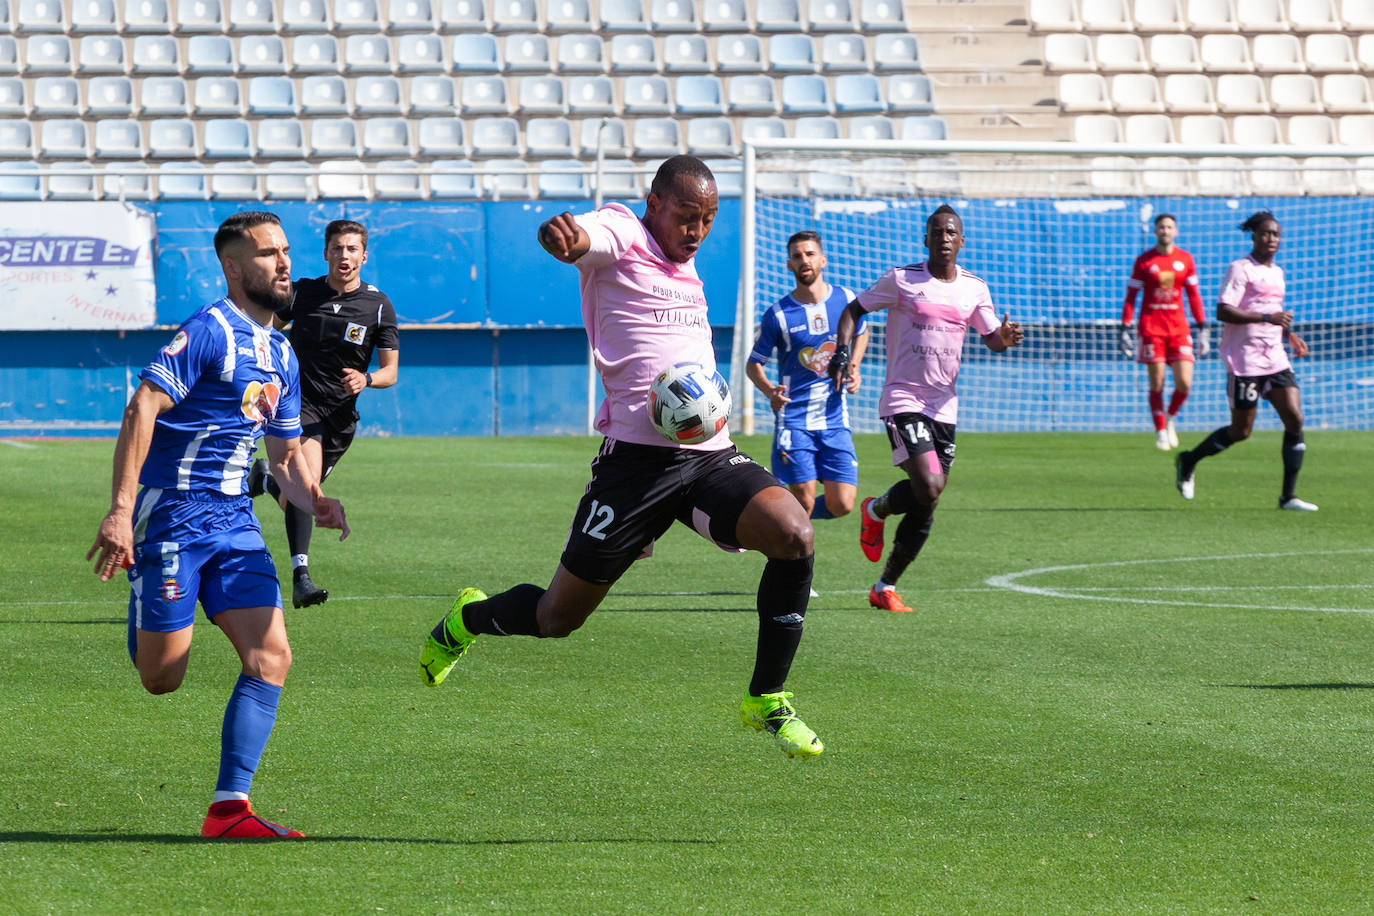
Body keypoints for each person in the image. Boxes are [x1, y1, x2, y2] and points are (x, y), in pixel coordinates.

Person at [419, 156, 824, 759]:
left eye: (708, 220)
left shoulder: (689, 269)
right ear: (654, 202)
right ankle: (467, 621)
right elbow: (586, 235)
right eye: (687, 216)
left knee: (794, 532)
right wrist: (566, 236)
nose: (697, 231)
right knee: (559, 618)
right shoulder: (624, 233)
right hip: (635, 467)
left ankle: (766, 696)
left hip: (709, 457)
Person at [87, 211, 349, 839]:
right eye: (267, 254)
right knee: (162, 678)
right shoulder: (208, 330)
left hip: (234, 519)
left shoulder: (281, 352)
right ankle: (142, 581)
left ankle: (229, 809)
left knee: (272, 657)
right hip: (173, 514)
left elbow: (284, 457)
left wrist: (312, 497)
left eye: (285, 251)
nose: (284, 264)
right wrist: (122, 511)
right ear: (234, 268)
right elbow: (143, 404)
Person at [829, 204, 1024, 614]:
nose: (944, 238)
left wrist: (1004, 338)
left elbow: (991, 338)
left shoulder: (974, 288)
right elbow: (853, 310)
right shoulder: (902, 280)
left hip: (944, 406)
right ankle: (876, 510)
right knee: (930, 485)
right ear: (926, 239)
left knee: (927, 499)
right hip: (904, 398)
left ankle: (884, 583)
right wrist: (843, 352)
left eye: (951, 232)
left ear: (962, 240)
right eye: (937, 232)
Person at [253, 219, 398, 608]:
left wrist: (367, 380)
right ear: (326, 253)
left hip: (340, 417)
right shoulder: (303, 293)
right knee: (306, 486)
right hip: (297, 405)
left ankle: (265, 482)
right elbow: (266, 330)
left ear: (364, 256)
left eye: (352, 249)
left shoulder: (378, 306)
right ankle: (301, 576)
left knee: (297, 493)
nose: (344, 255)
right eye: (337, 248)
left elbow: (390, 372)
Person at [1174, 211, 1316, 511]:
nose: (1271, 239)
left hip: (1274, 356)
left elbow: (1272, 309)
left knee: (1295, 417)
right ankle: (1189, 460)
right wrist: (1267, 318)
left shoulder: (1277, 272)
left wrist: (1287, 333)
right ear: (1253, 235)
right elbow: (1223, 310)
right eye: (1265, 233)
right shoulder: (1240, 269)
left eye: (1276, 234)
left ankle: (1288, 496)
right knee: (1241, 431)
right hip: (1245, 359)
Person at [745, 230, 871, 522]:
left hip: (834, 419)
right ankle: (786, 528)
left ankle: (784, 517)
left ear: (822, 260)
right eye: (797, 256)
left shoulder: (846, 300)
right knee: (803, 497)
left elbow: (861, 333)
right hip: (794, 420)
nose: (804, 260)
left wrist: (855, 365)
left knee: (842, 504)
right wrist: (769, 392)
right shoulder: (778, 315)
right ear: (789, 265)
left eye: (810, 254)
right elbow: (754, 365)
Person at [1119, 213, 1209, 451]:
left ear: (1175, 231)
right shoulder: (1144, 261)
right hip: (1151, 329)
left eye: (1169, 227)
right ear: (1155, 231)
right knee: (1156, 382)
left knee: (1184, 382)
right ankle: (1160, 430)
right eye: (1161, 227)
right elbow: (1131, 296)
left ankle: (1170, 417)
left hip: (1179, 329)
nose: (1165, 231)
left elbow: (1193, 296)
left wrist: (1202, 327)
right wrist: (1125, 326)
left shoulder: (1185, 260)